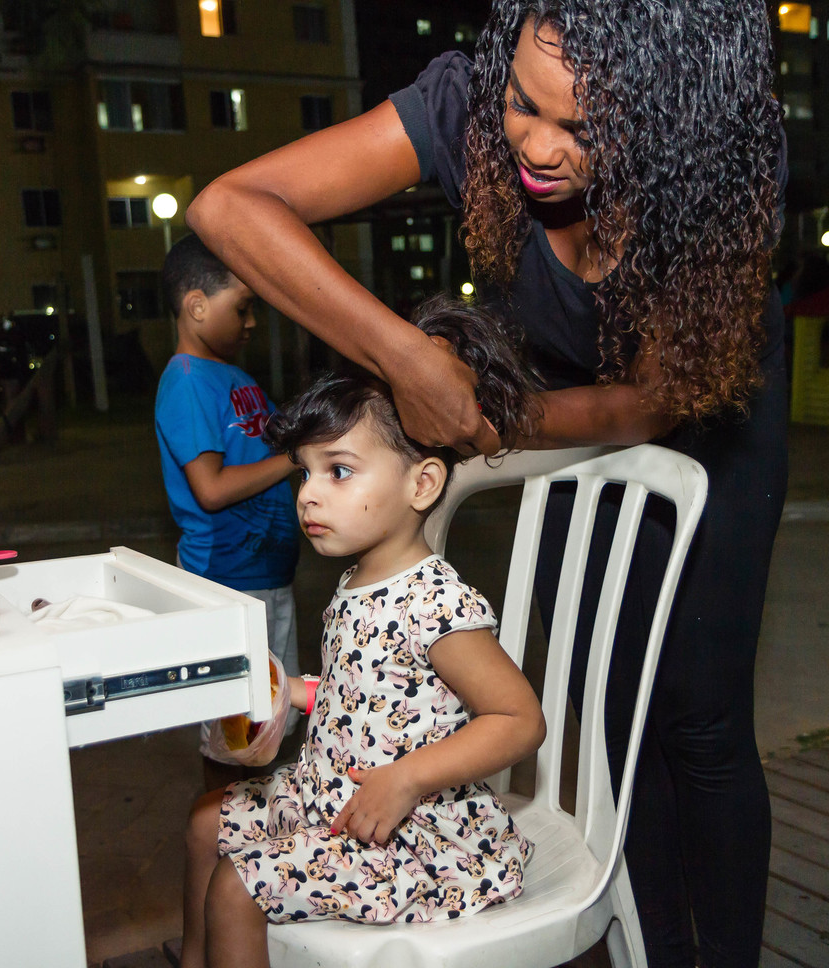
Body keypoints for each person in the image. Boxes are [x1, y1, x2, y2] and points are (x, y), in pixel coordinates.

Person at [186, 3, 786, 965]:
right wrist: (402, 356)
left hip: (703, 402)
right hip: (536, 400)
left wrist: (478, 418)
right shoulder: (466, 103)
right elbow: (226, 208)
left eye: (582, 130)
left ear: (670, 123)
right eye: (522, 104)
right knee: (614, 705)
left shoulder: (721, 163)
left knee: (698, 719)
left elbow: (654, 402)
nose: (536, 148)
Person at [180, 295, 546, 968]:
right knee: (208, 821)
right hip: (334, 791)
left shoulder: (435, 603)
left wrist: (407, 779)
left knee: (238, 886)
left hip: (415, 833)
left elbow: (519, 720)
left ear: (422, 483)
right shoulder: (353, 583)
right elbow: (381, 698)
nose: (309, 495)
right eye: (306, 472)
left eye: (339, 471)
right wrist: (294, 692)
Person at [155, 232, 302, 790]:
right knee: (234, 741)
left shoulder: (233, 377)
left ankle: (259, 852)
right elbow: (211, 489)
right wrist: (291, 458)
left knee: (270, 729)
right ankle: (217, 851)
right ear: (196, 305)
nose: (251, 322)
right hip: (229, 582)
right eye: (241, 307)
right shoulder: (188, 382)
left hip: (265, 579)